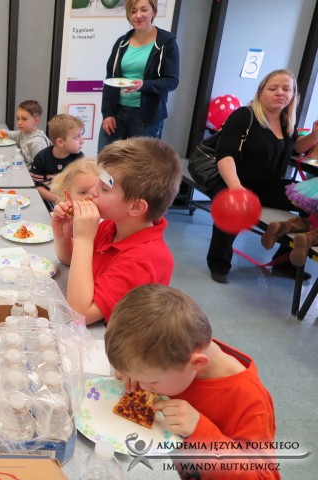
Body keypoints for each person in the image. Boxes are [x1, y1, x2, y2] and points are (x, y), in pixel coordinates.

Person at [105, 285, 279, 479]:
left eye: (152, 381)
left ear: (196, 363)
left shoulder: (251, 402)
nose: (144, 387)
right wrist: (131, 368)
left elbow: (263, 476)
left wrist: (200, 431)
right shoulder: (170, 355)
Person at [51, 137, 181, 324]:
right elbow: (71, 260)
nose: (93, 191)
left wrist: (83, 239)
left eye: (104, 188)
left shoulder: (143, 259)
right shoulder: (111, 227)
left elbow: (79, 315)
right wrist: (63, 236)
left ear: (135, 207)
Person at [208, 69, 318, 283]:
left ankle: (284, 263)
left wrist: (314, 136)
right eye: (273, 88)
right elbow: (225, 156)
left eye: (286, 89)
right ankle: (219, 263)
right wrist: (236, 188)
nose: (280, 93)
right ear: (260, 92)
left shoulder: (286, 121)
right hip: (236, 181)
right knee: (232, 209)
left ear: (293, 95)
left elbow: (296, 148)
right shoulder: (244, 115)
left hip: (269, 185)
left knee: (311, 202)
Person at [98, 0, 179, 153]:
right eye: (133, 11)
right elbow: (109, 79)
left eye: (144, 10)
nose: (138, 15)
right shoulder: (121, 42)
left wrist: (144, 85)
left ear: (154, 12)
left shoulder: (166, 42)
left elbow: (172, 81)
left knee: (141, 163)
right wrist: (107, 114)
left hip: (146, 117)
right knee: (105, 160)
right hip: (117, 113)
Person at [30, 113, 86, 209]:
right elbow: (35, 186)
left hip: (71, 201)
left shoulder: (79, 159)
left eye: (81, 135)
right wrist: (57, 199)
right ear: (60, 142)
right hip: (47, 200)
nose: (82, 141)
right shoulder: (42, 157)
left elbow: (82, 187)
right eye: (77, 137)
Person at [0, 100, 51, 167]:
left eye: (24, 119)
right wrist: (0, 132)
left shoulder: (38, 143)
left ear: (36, 121)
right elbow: (8, 134)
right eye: (18, 118)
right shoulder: (22, 133)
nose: (19, 122)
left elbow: (41, 168)